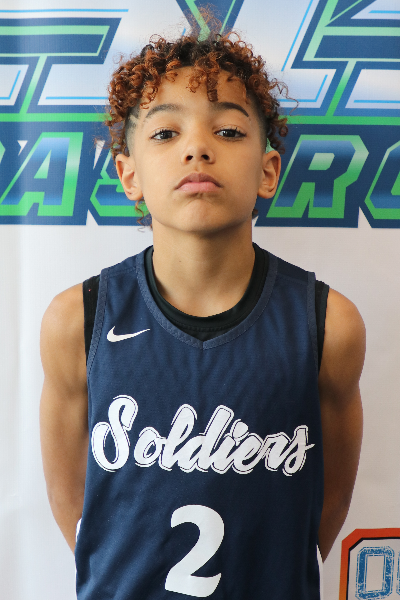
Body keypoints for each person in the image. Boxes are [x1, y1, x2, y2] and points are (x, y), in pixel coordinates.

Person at [40, 27, 365, 600]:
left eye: (228, 130)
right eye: (166, 132)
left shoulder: (328, 324)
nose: (197, 148)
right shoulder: (77, 320)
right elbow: (77, 508)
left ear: (268, 171)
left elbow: (327, 505)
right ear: (129, 175)